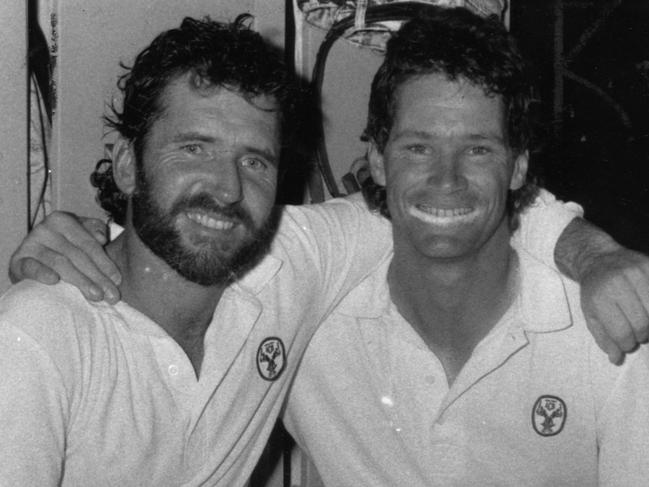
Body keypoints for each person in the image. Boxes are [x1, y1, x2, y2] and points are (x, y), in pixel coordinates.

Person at [5, 8, 649, 487]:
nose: (225, 190)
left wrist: (596, 257)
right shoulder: (40, 340)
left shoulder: (294, 262)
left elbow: (461, 212)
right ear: (125, 165)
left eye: (254, 161)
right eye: (193, 148)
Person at [282, 7, 649, 485]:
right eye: (418, 147)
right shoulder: (308, 316)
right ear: (376, 159)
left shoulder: (612, 331)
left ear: (518, 166)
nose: (446, 179)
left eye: (478, 149)